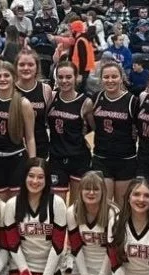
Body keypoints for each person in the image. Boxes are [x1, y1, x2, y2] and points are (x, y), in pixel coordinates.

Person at [1, 157, 67, 275]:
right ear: (24, 177)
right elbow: (13, 244)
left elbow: (58, 245)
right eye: (31, 176)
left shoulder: (57, 203)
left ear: (47, 180)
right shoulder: (12, 204)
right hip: (23, 267)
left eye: (40, 177)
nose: (35, 181)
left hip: (50, 267)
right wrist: (25, 274)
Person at [66, 171, 117, 275]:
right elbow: (76, 247)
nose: (91, 193)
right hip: (83, 268)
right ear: (80, 191)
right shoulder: (73, 211)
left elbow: (112, 251)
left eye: (96, 189)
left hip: (106, 271)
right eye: (87, 188)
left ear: (103, 191)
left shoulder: (113, 212)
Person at [0, 61, 36, 200]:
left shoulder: (23, 103)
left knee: (16, 203)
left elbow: (30, 137)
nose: (2, 79)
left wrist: (32, 164)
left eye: (6, 75)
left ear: (14, 77)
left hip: (17, 158)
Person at [90, 61, 137, 203]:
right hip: (102, 158)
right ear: (101, 79)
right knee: (104, 204)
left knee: (121, 206)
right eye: (106, 77)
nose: (110, 80)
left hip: (125, 159)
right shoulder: (96, 98)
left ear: (122, 78)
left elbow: (140, 128)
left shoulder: (132, 101)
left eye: (114, 76)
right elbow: (90, 125)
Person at [47, 62, 93, 198]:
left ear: (76, 77)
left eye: (68, 77)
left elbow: (94, 130)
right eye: (60, 77)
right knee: (57, 202)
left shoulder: (85, 102)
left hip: (79, 158)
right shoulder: (51, 97)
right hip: (56, 157)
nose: (64, 81)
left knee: (77, 203)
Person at [14, 49, 53, 159]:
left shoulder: (46, 90)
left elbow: (48, 120)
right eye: (22, 64)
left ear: (37, 67)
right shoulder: (10, 90)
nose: (26, 68)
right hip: (15, 149)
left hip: (41, 146)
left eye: (30, 64)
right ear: (16, 68)